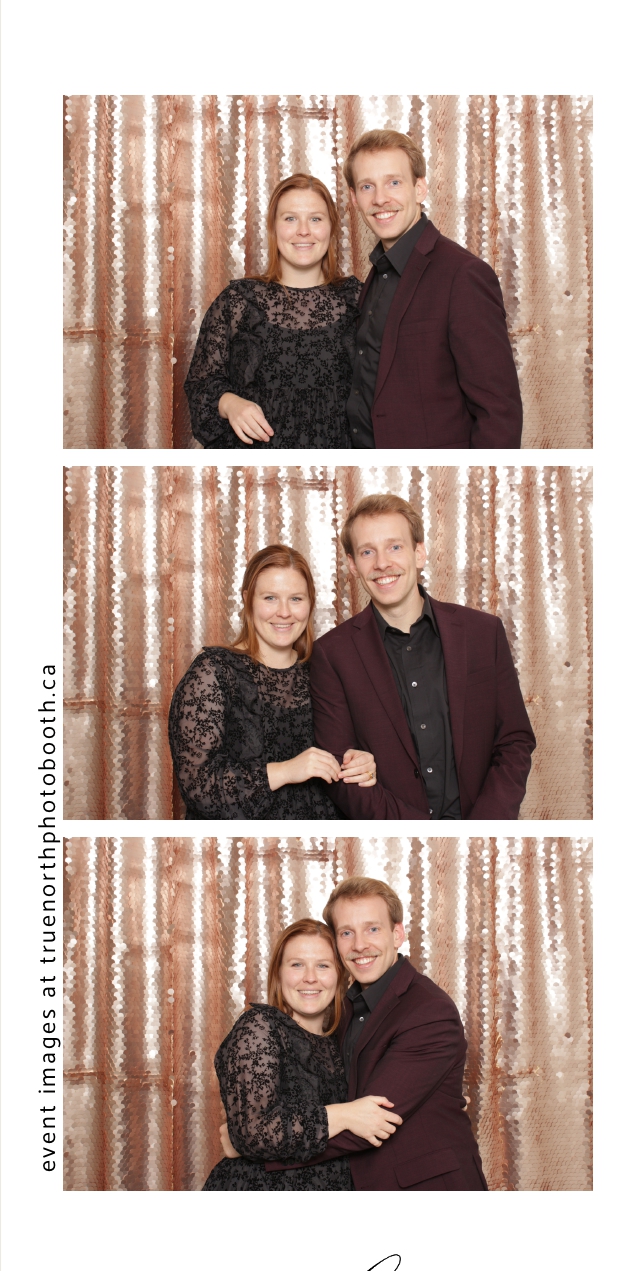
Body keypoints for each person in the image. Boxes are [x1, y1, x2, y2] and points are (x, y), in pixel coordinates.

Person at [309, 493, 535, 821]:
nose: (382, 563)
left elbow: (514, 740)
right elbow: (341, 771)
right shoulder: (331, 654)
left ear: (419, 553)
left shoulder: (483, 633)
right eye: (367, 551)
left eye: (394, 546)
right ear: (353, 564)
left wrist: (482, 828)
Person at [263, 879, 487, 1192]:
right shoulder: (342, 1007)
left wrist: (260, 1145)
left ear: (397, 934)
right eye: (346, 933)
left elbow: (370, 1122)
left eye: (372, 929)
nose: (359, 945)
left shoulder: (428, 1011)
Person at [168, 543, 376, 820]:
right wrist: (286, 771)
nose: (284, 612)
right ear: (247, 600)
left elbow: (347, 756)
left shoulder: (324, 671)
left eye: (296, 599)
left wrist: (363, 765)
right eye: (270, 598)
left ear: (310, 603)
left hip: (322, 840)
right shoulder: (213, 672)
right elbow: (198, 788)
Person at [344, 128, 522, 449]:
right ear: (354, 198)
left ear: (420, 188)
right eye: (367, 186)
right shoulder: (377, 273)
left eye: (394, 182)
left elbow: (499, 413)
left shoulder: (463, 275)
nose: (380, 198)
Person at [204, 919, 403, 1190]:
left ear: (340, 975)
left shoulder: (344, 1040)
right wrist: (345, 1115)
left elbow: (377, 1116)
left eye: (323, 965)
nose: (310, 977)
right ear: (278, 974)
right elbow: (255, 1133)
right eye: (297, 964)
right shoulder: (260, 1026)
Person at [184, 173, 361, 448]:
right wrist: (229, 403)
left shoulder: (360, 300)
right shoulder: (237, 301)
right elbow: (200, 385)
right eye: (290, 218)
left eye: (315, 219)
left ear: (331, 227)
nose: (303, 230)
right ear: (273, 227)